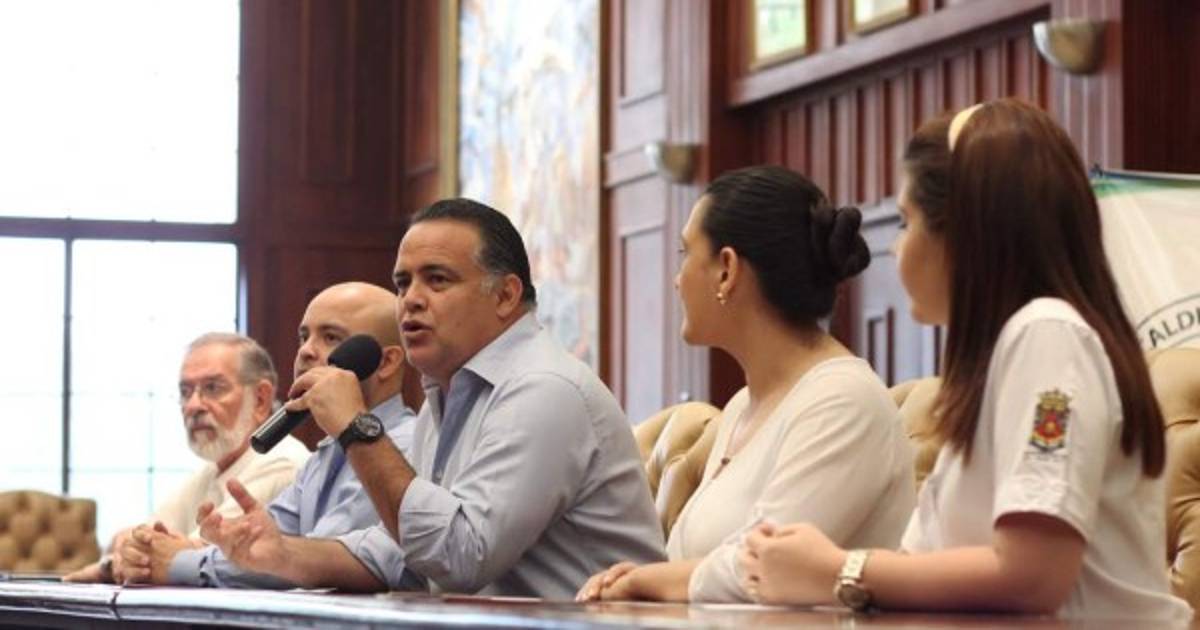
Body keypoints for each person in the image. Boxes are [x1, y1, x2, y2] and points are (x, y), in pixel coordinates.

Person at [738, 99, 1193, 621]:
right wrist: (802, 563)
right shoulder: (1006, 358)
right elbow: (932, 570)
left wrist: (840, 569)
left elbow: (1033, 575)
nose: (896, 249)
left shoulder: (1048, 336)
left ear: (966, 233)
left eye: (906, 222)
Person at [193, 198, 666, 598]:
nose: (411, 300)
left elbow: (461, 557)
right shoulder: (449, 395)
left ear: (505, 296)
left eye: (437, 280)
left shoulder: (543, 389)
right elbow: (399, 554)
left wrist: (357, 428)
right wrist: (282, 555)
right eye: (403, 283)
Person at [576, 166, 915, 603]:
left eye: (685, 253)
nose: (677, 280)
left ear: (727, 270)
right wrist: (640, 578)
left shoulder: (844, 400)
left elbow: (762, 567)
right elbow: (703, 566)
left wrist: (650, 581)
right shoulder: (741, 405)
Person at [115, 282, 419, 588]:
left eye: (330, 337)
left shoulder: (402, 446)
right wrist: (160, 552)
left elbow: (314, 559)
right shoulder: (327, 453)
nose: (305, 351)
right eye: (304, 337)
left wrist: (177, 562)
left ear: (385, 363)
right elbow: (261, 542)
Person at [64, 333, 309, 584]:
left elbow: (186, 557)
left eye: (212, 388)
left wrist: (125, 557)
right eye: (185, 391)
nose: (193, 406)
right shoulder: (212, 470)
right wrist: (124, 551)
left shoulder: (282, 462)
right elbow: (144, 537)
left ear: (260, 399)